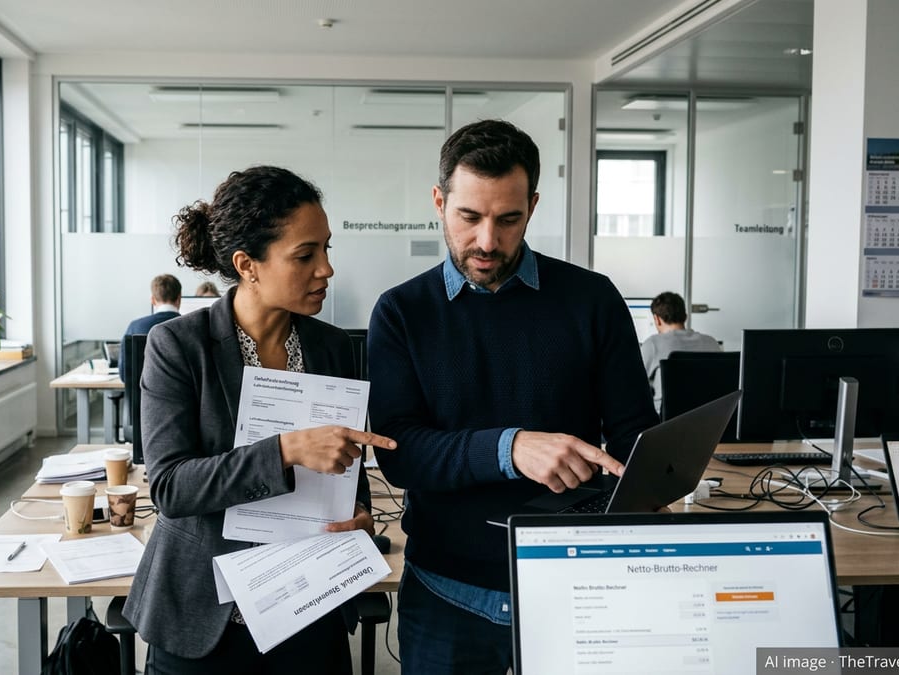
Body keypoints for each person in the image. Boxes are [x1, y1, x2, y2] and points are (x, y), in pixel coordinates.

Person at [367, 120, 658, 674]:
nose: (487, 241)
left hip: (575, 580)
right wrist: (511, 447)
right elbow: (399, 452)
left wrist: (649, 486)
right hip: (448, 590)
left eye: (509, 219)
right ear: (439, 201)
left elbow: (631, 435)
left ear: (534, 206)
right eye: (469, 217)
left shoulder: (592, 299)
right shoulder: (402, 312)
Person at [123, 165, 397, 674]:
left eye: (326, 249)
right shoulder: (179, 346)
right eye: (305, 255)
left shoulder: (334, 348)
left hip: (309, 608)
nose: (326, 270)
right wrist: (286, 450)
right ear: (247, 264)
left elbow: (345, 468)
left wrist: (358, 514)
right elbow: (170, 487)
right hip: (207, 619)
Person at [640, 290, 722, 413]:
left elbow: (633, 385)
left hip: (665, 422)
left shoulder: (653, 344)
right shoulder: (712, 342)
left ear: (657, 319)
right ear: (685, 316)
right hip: (711, 417)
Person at [119, 273, 183, 384]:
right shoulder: (191, 328)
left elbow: (125, 375)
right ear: (179, 298)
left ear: (153, 300)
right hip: (182, 399)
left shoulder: (135, 327)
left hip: (142, 400)